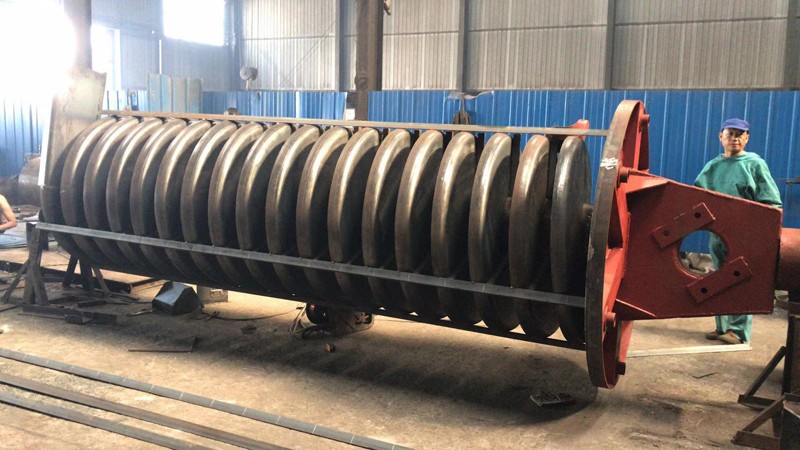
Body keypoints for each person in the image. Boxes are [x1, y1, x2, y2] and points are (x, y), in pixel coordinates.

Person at [694, 118, 782, 345]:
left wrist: (761, 231)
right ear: (720, 137)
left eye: (739, 134)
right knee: (719, 278)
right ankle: (722, 326)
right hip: (718, 235)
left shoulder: (754, 164)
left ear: (747, 138)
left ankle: (738, 331)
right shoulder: (713, 166)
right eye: (730, 133)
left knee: (739, 278)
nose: (734, 138)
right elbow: (696, 197)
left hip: (744, 234)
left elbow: (771, 202)